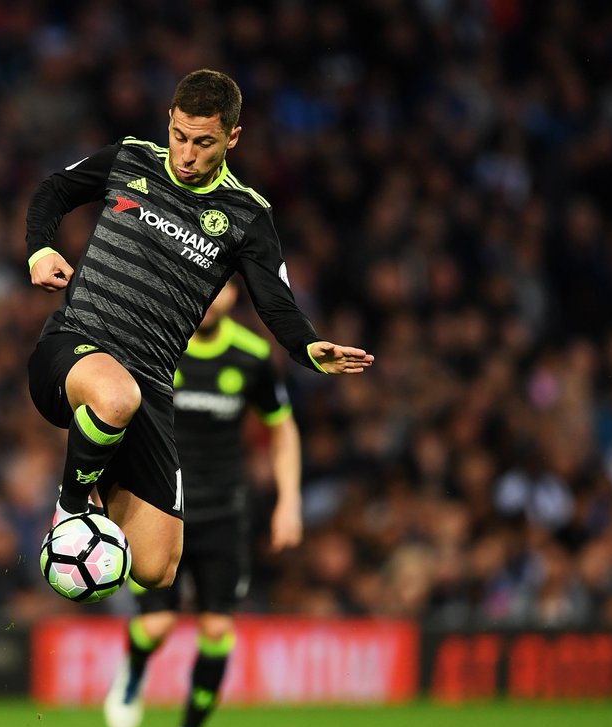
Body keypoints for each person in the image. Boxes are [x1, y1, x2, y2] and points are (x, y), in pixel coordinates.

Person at [25, 69, 372, 592]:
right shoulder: (131, 158)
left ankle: (98, 497)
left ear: (232, 137)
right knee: (117, 395)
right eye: (179, 137)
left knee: (156, 568)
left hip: (151, 384)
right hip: (73, 349)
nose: (186, 155)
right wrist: (41, 247)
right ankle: (69, 510)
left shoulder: (247, 217)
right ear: (169, 122)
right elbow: (53, 190)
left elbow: (276, 304)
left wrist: (308, 346)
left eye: (203, 143)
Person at [103, 281, 302, 727]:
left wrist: (289, 501)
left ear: (235, 294)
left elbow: (282, 428)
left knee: (217, 629)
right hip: (160, 508)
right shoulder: (157, 344)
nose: (214, 297)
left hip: (224, 512)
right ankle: (132, 670)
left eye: (225, 288)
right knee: (159, 625)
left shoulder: (252, 355)